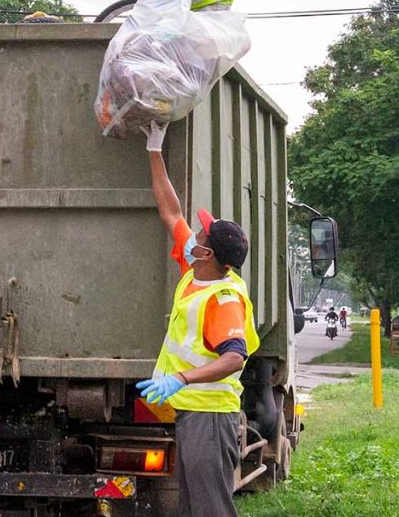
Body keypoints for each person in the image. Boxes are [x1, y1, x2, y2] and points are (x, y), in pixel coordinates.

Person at [135, 122, 259, 517]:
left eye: (202, 235)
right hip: (192, 413)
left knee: (210, 511)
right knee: (192, 510)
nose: (195, 234)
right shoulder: (196, 270)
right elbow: (171, 211)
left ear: (209, 255)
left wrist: (181, 378)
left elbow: (235, 357)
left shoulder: (222, 298)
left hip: (210, 415)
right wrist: (155, 148)